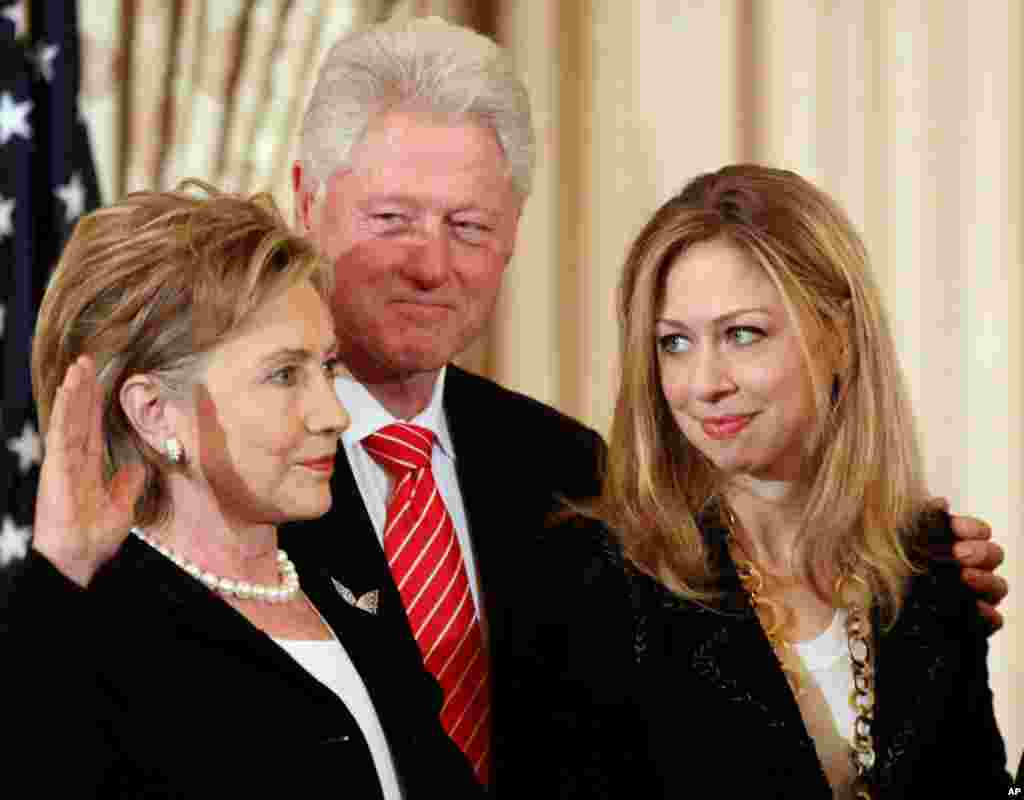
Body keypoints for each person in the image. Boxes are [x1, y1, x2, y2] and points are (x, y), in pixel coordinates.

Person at [284, 17, 1009, 791]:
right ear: (305, 199)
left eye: (468, 225)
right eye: (392, 219)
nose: (431, 264)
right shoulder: (224, 461)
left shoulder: (566, 466)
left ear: (512, 236)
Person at [504, 165, 1012, 798]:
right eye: (674, 344)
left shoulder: (928, 559)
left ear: (841, 337)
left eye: (742, 334)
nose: (704, 383)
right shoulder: (591, 579)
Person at [2, 183, 484, 798]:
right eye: (285, 375)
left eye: (328, 366)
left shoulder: (345, 580)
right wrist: (60, 573)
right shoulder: (90, 637)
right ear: (154, 412)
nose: (333, 413)